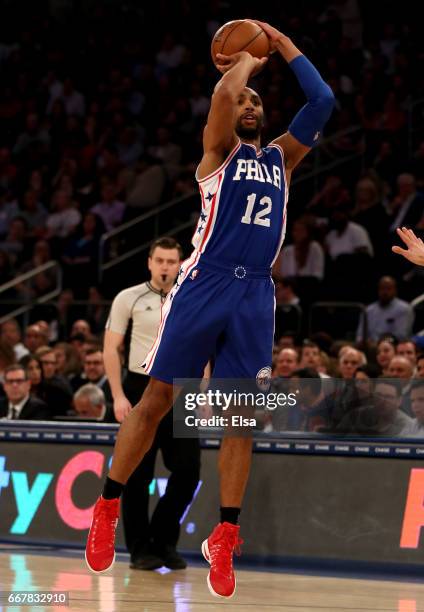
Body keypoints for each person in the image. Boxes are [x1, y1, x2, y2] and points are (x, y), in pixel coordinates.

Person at [85, 19, 334, 599]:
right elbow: (224, 96)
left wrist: (282, 43)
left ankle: (224, 533)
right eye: (243, 98)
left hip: (255, 294)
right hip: (206, 282)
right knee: (158, 398)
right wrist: (241, 65)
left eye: (256, 100)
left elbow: (323, 99)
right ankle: (107, 504)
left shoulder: (282, 159)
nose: (249, 103)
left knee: (239, 418)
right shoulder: (217, 154)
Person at [103, 236, 200, 571]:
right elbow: (111, 348)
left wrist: (202, 392)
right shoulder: (128, 297)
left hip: (181, 387)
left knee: (188, 472)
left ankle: (164, 540)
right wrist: (117, 395)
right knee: (136, 474)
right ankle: (140, 548)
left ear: (181, 264)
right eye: (160, 261)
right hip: (139, 384)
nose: (165, 267)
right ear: (149, 262)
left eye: (171, 261)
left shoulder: (193, 297)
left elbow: (204, 349)